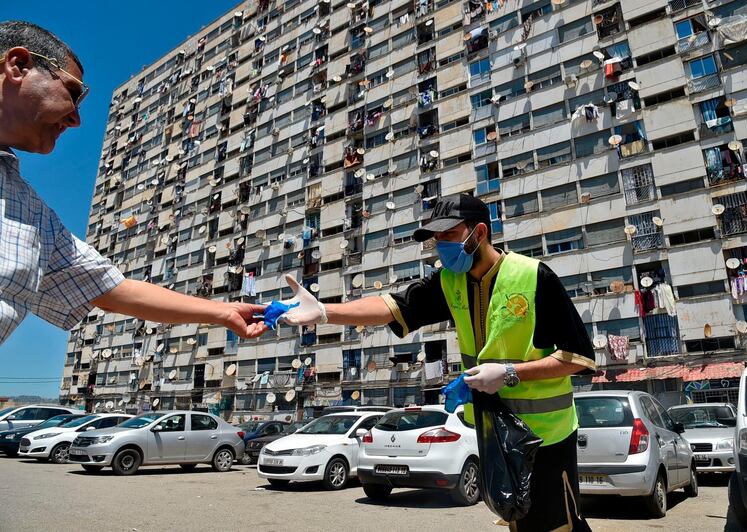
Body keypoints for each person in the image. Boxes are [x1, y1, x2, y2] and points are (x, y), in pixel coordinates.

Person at [278, 193, 596, 531]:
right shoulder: (450, 282)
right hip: (496, 433)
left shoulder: (533, 277)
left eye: (448, 234)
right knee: (517, 519)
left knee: (557, 525)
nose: (439, 245)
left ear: (480, 233)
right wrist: (325, 313)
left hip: (546, 436)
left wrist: (509, 373)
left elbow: (579, 358)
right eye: (436, 238)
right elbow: (391, 306)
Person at [0, 21, 269, 344]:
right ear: (18, 66)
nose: (75, 118)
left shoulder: (32, 216)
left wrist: (221, 312)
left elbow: (113, 289)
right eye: (73, 93)